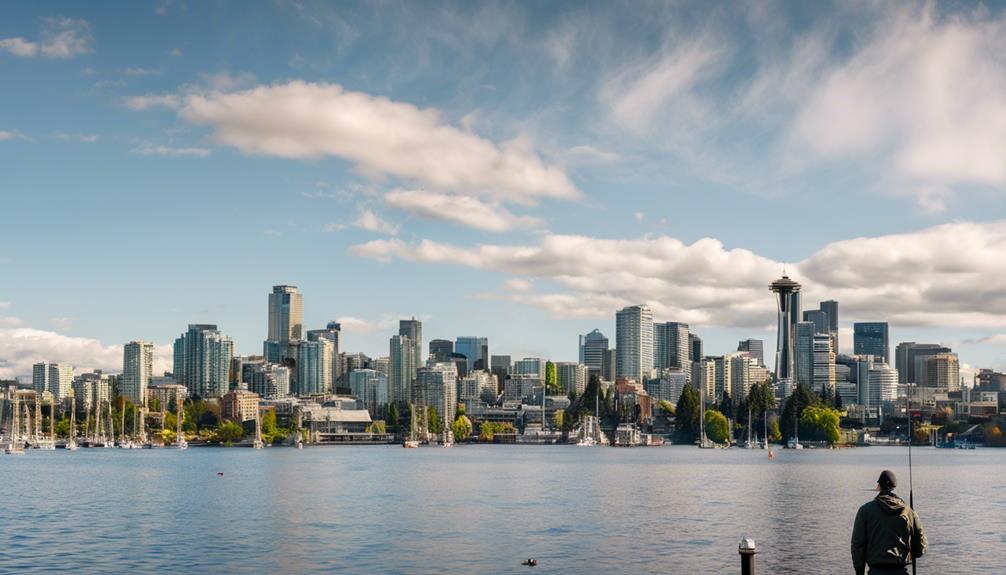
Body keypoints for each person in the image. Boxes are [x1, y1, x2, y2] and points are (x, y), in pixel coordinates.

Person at [851, 470, 927, 574]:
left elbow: (857, 544)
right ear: (894, 487)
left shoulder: (865, 510)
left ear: (879, 486)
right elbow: (921, 546)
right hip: (900, 571)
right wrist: (913, 552)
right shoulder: (908, 512)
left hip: (875, 571)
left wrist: (859, 571)